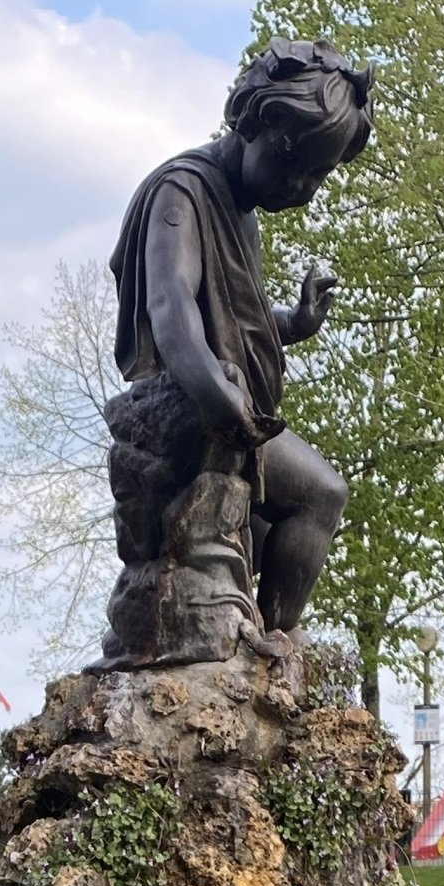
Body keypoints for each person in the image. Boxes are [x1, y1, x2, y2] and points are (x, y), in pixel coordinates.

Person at [109, 39, 374, 637]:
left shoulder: (240, 210)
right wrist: (220, 401)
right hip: (188, 406)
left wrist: (293, 324)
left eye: (317, 177)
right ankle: (275, 648)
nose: (302, 188)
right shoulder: (183, 191)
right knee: (322, 495)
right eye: (294, 166)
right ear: (257, 123)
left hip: (230, 406)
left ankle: (250, 647)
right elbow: (173, 309)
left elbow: (233, 320)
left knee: (246, 544)